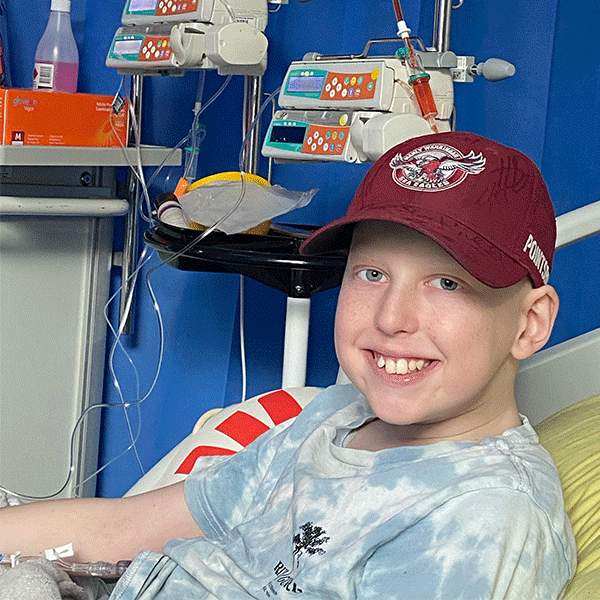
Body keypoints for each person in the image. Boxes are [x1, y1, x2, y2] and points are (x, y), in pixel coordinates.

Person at [0, 132, 576, 599]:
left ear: (529, 324)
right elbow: (129, 527)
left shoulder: (483, 516)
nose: (392, 318)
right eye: (372, 273)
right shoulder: (334, 419)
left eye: (447, 283)